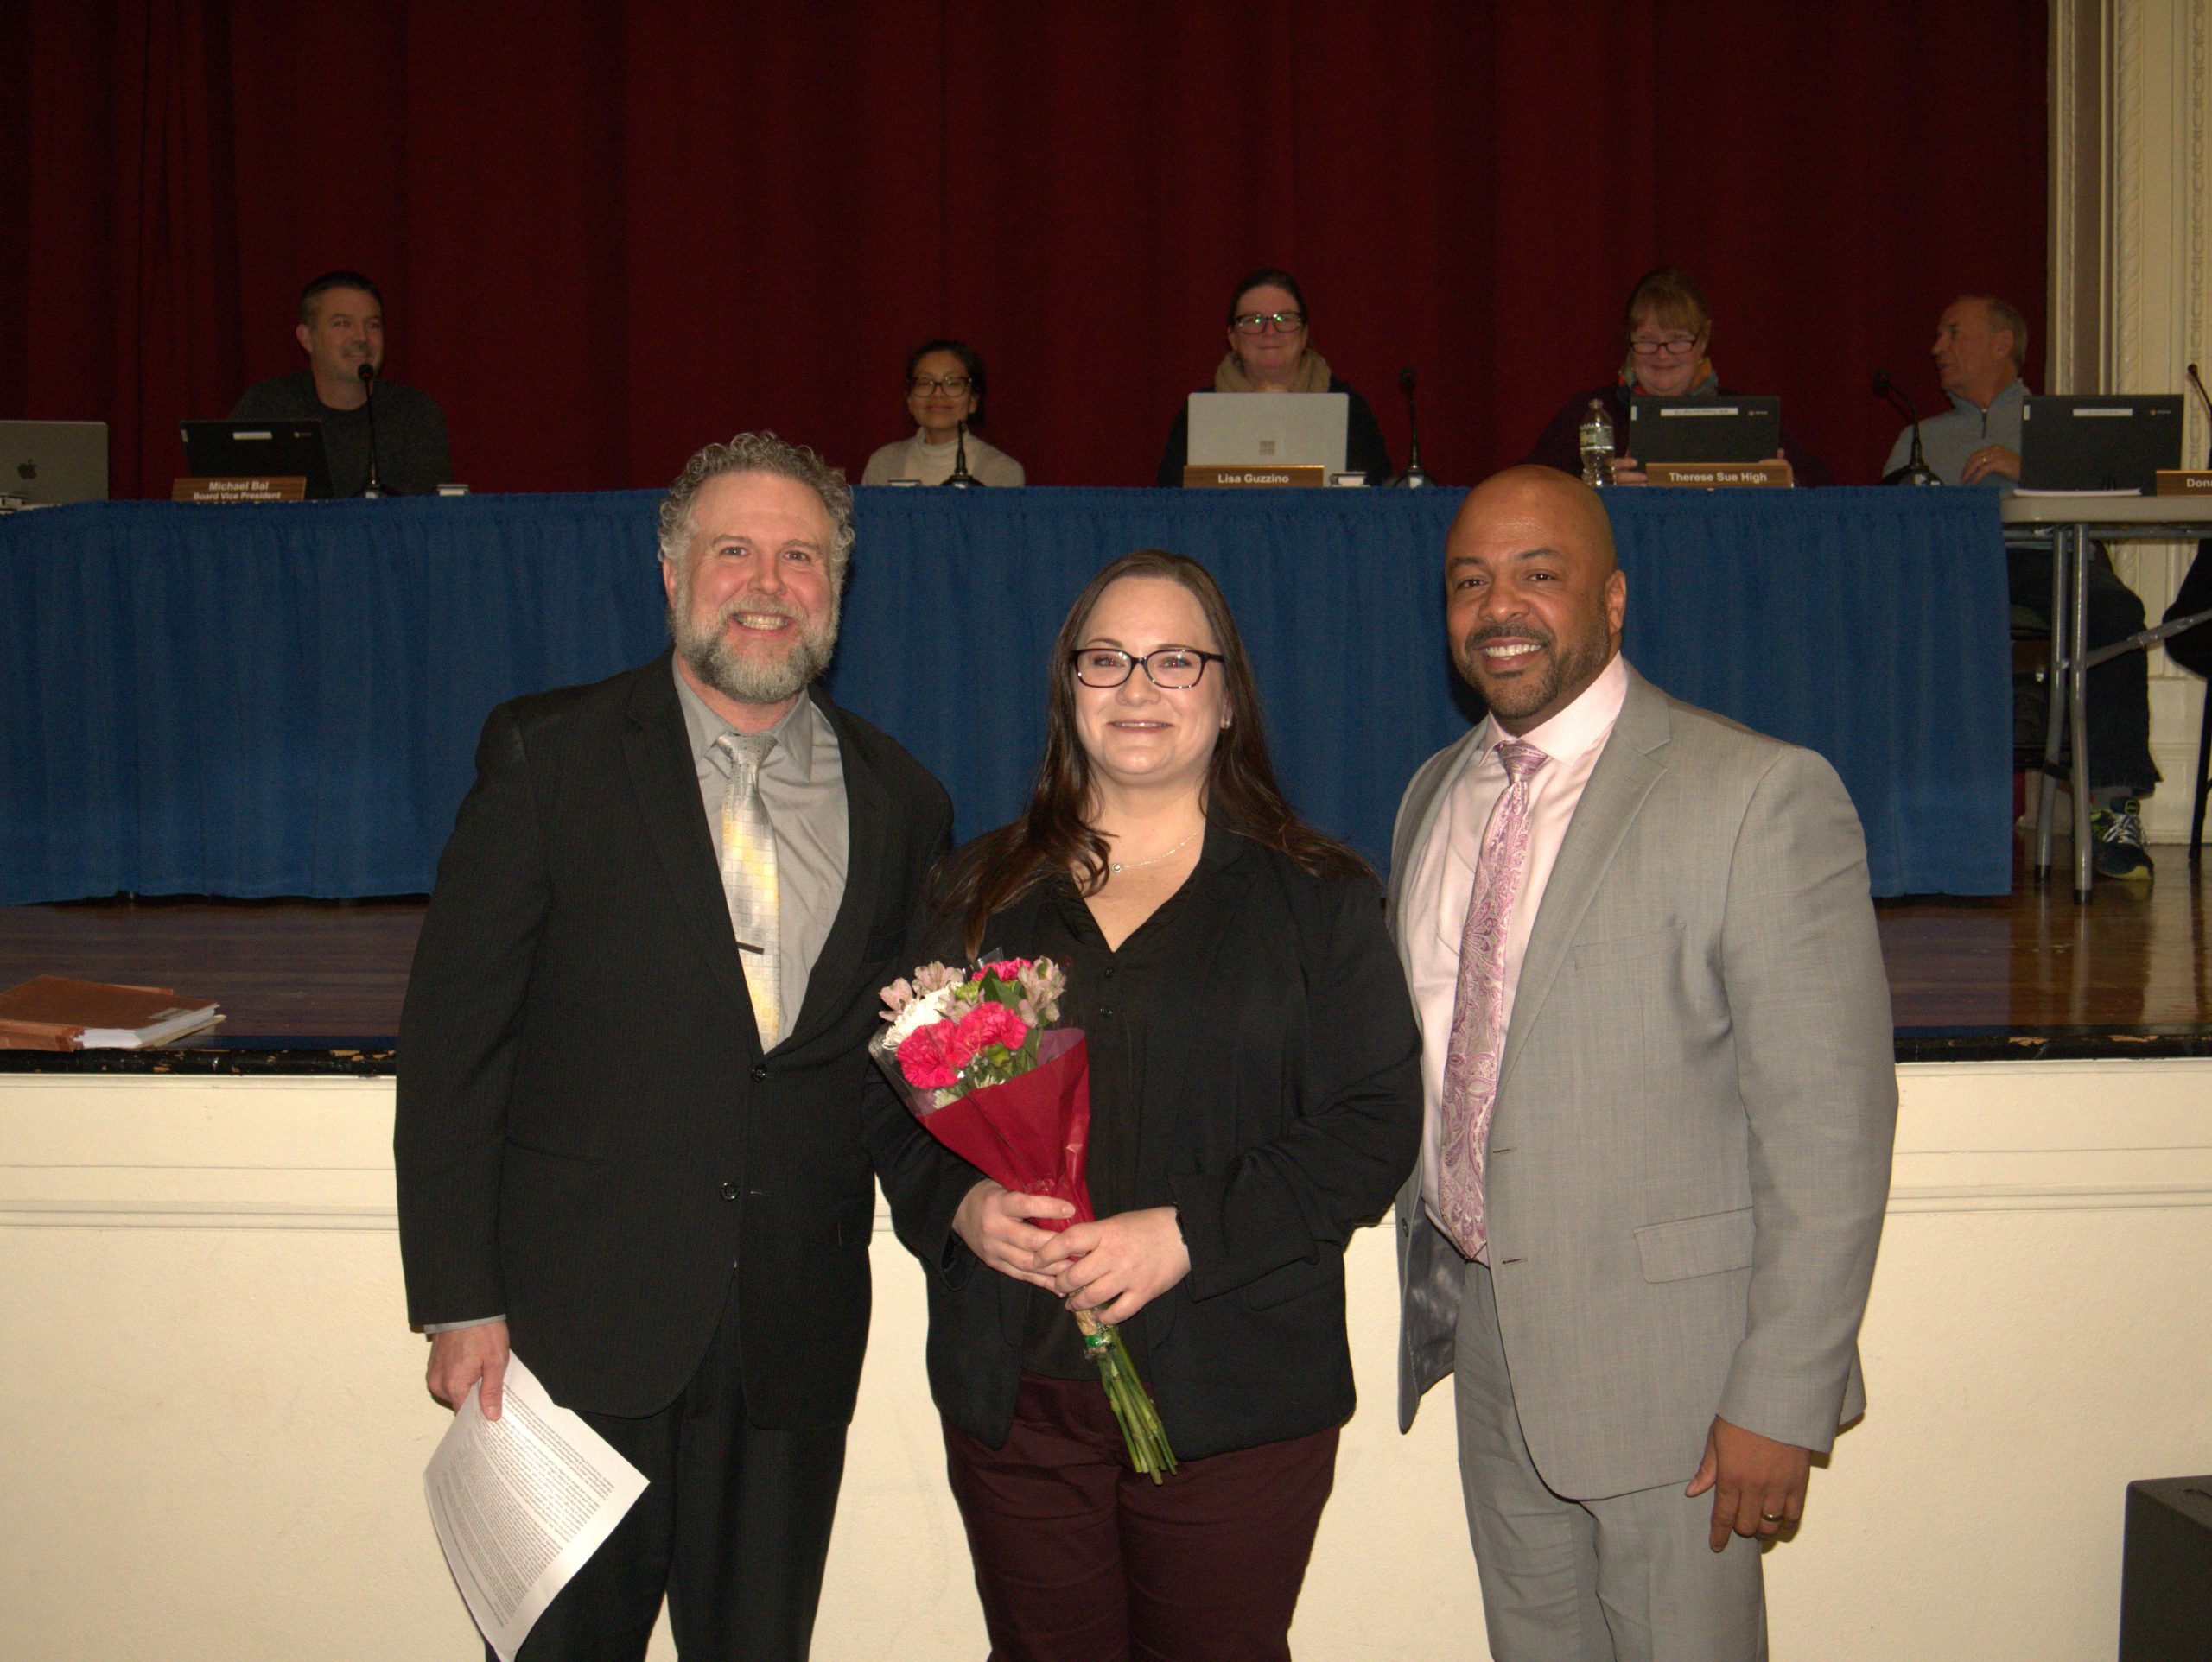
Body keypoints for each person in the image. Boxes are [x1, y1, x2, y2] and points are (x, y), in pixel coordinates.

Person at [395, 431, 954, 1661]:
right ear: (671, 574)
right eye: (735, 550)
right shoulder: (549, 756)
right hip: (567, 1338)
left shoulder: (904, 799)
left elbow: (894, 1067)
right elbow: (454, 1045)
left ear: (839, 585)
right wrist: (458, 1300)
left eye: (801, 555)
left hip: (790, 1344)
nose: (768, 582)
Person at [875, 550, 1423, 1659]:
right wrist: (963, 1204)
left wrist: (1185, 1233)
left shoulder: (1320, 899)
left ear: (1226, 699)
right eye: (1106, 659)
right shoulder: (975, 895)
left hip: (1237, 1393)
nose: (1137, 688)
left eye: (1176, 661)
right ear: (1067, 692)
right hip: (1018, 1393)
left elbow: (1373, 1128)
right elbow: (896, 1104)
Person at [1391, 466, 1896, 1660]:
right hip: (1485, 1341)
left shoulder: (1757, 794)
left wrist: (1782, 1400)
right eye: (1469, 581)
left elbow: (1830, 1128)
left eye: (1537, 574)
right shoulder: (1434, 795)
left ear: (1613, 601)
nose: (1497, 604)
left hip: (1682, 1384)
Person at [1883, 294, 2159, 879]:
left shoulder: (2061, 424)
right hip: (1958, 568)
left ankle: (2113, 809)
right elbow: (1888, 530)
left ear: (2001, 344)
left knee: (2112, 611)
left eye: (1953, 333)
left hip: (2050, 558)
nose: (1937, 348)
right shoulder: (1920, 435)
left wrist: (2023, 467)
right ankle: (1905, 806)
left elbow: (2124, 494)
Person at [1524, 266, 1833, 486]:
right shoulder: (1593, 413)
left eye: (1677, 339)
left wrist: (1789, 485)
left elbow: (1826, 493)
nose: (1662, 355)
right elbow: (1528, 488)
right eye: (1646, 339)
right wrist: (1596, 489)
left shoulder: (1747, 417)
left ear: (1703, 341)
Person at [1154, 268, 1394, 485]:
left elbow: (1375, 498)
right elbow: (1172, 500)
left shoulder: (1350, 409)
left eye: (1285, 319)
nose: (1270, 332)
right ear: (1232, 338)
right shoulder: (1198, 414)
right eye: (1253, 320)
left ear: (1304, 335)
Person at [231, 269, 453, 496]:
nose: (362, 338)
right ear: (307, 338)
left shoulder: (415, 414)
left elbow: (429, 519)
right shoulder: (267, 406)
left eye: (373, 325)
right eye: (342, 324)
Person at [860, 339, 1026, 486]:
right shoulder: (883, 464)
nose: (937, 394)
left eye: (952, 383)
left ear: (973, 400)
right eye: (925, 382)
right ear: (909, 399)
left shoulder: (1000, 470)